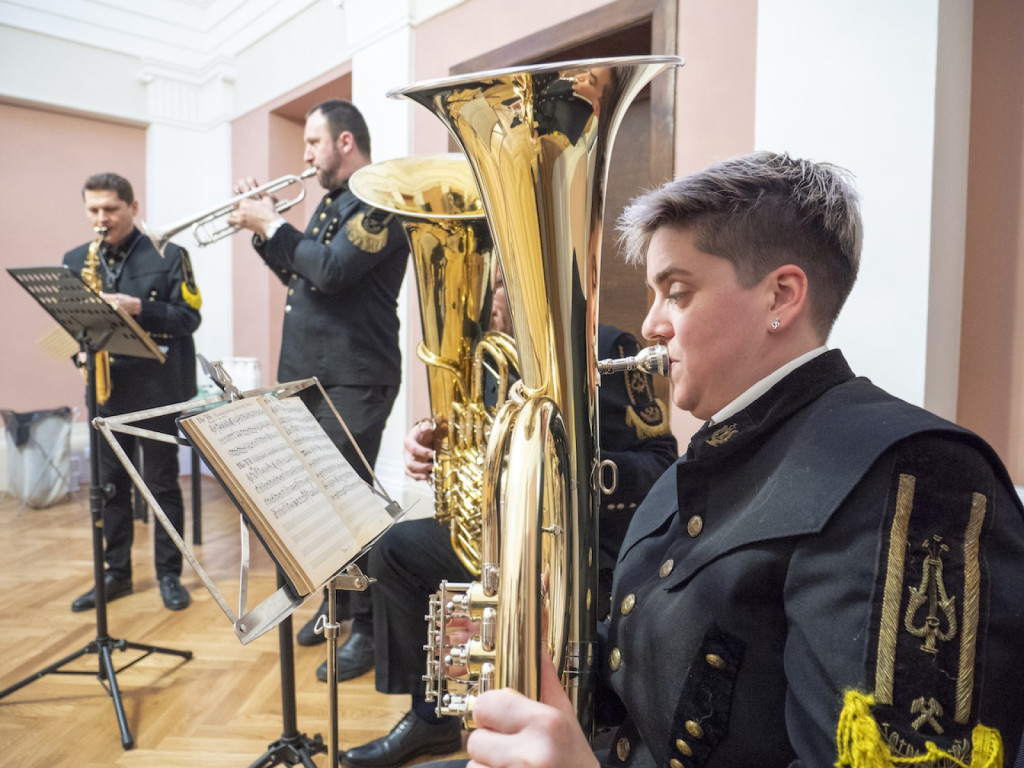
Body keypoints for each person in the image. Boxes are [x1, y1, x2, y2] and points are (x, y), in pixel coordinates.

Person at [418, 151, 1024, 768]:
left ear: (780, 297)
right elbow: (662, 677)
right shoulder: (701, 461)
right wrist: (531, 648)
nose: (651, 324)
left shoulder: (914, 472)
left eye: (676, 293)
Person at [339, 268, 678, 768]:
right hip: (503, 535)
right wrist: (432, 439)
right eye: (491, 284)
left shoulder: (606, 346)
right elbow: (474, 436)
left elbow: (662, 462)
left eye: (501, 283)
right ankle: (430, 718)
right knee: (395, 549)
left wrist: (571, 467)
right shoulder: (487, 360)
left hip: (583, 545)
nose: (492, 297)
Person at [227, 99, 409, 680]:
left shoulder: (378, 199)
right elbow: (305, 275)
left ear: (346, 142)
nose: (304, 156)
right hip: (314, 375)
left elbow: (331, 270)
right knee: (320, 502)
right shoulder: (335, 201)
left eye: (312, 143)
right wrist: (264, 234)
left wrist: (272, 224)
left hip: (354, 376)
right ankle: (337, 603)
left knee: (349, 506)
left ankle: (368, 632)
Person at [64, 172, 201, 613]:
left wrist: (139, 307)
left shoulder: (171, 254)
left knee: (162, 486)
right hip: (107, 389)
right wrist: (80, 356)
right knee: (108, 487)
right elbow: (73, 324)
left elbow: (189, 319)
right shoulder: (74, 259)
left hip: (159, 389)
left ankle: (168, 575)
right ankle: (116, 574)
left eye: (110, 209)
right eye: (93, 210)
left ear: (133, 206)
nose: (101, 219)